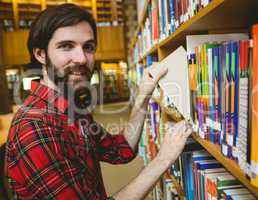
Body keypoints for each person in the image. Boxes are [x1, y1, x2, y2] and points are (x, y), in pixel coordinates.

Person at [4, 3, 192, 200]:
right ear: (40, 54)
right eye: (66, 46)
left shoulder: (71, 108)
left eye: (88, 47)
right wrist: (162, 160)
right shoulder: (34, 127)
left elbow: (121, 150)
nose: (82, 58)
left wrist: (143, 95)